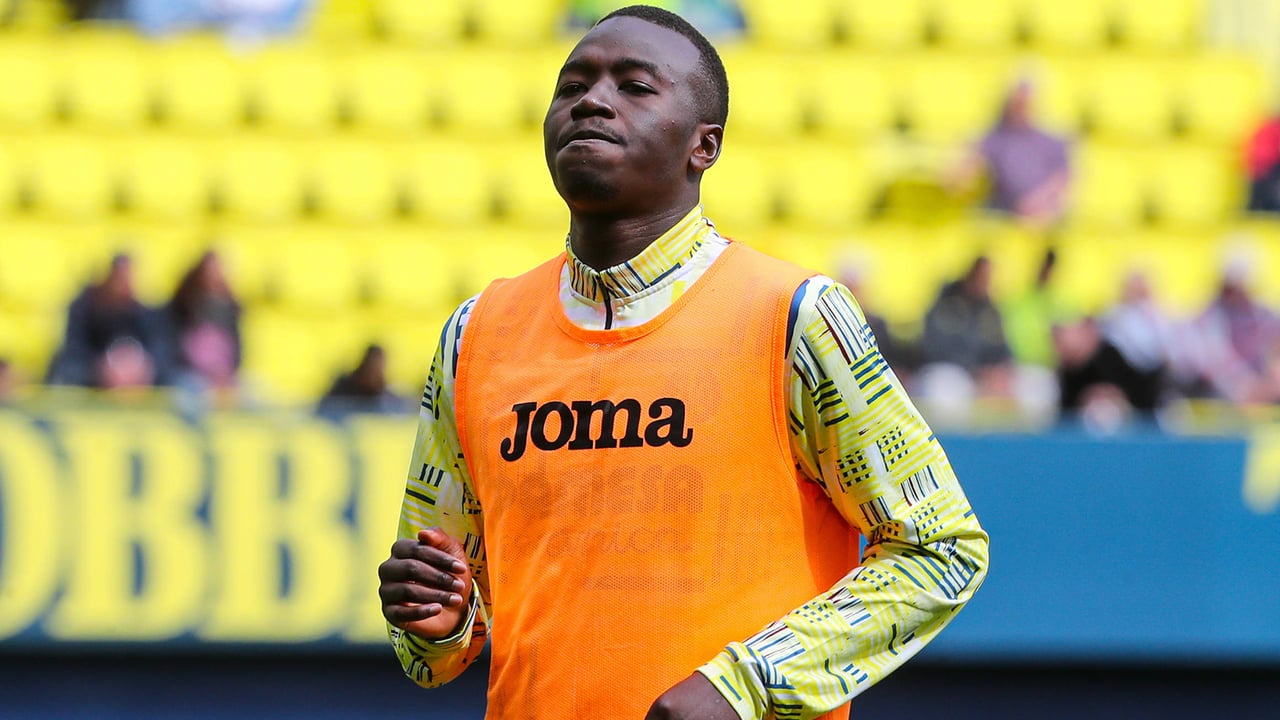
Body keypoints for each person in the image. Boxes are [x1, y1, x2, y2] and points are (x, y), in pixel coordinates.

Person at [376, 7, 988, 720]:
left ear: (705, 146)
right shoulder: (475, 334)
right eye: (571, 86)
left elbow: (941, 549)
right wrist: (438, 622)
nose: (591, 101)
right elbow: (435, 651)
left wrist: (747, 683)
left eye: (634, 86)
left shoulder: (796, 316)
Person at [946, 79, 1071, 229]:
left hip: (1042, 215)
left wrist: (1040, 202)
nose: (1021, 108)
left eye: (1025, 103)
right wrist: (963, 170)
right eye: (1017, 102)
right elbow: (968, 164)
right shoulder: (994, 136)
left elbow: (1062, 179)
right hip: (1002, 212)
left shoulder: (1053, 140)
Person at [45, 253, 173, 390]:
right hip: (91, 373)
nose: (123, 284)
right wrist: (101, 368)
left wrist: (141, 367)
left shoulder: (146, 313)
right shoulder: (85, 310)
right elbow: (74, 350)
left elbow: (160, 352)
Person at [164, 250, 242, 393]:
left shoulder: (230, 309)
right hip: (190, 373)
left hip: (224, 376)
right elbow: (175, 348)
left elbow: (237, 352)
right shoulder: (184, 307)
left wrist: (224, 374)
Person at [316, 343, 408, 420]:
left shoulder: (382, 392)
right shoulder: (345, 387)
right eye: (372, 367)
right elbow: (325, 409)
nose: (375, 372)